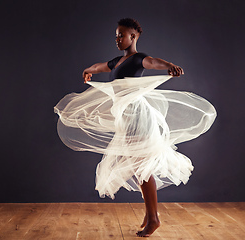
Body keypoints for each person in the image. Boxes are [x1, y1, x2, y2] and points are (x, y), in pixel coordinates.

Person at [54, 18, 216, 238]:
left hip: (138, 117)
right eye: (116, 35)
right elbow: (100, 66)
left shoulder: (138, 59)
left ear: (134, 36)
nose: (118, 39)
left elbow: (153, 62)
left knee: (141, 166)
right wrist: (88, 70)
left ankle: (154, 218)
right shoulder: (118, 62)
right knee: (138, 166)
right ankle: (150, 215)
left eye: (122, 35)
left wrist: (169, 66)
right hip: (127, 119)